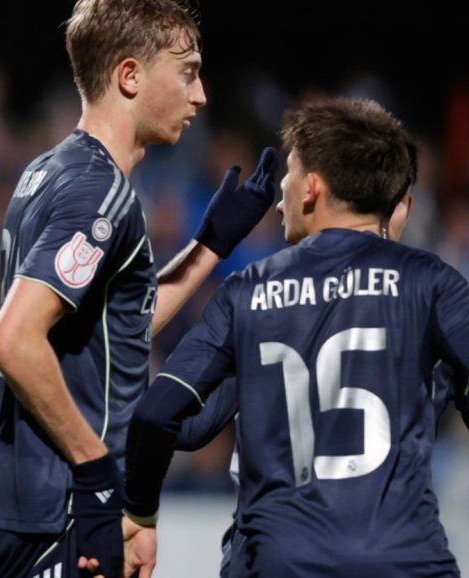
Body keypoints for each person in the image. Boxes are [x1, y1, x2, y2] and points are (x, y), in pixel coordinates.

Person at [0, 1, 279, 577]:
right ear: (130, 75)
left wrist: (208, 247)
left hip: (31, 506)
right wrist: (96, 473)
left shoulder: (49, 170)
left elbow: (114, 329)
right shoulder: (99, 191)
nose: (200, 95)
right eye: (187, 72)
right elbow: (12, 339)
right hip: (68, 509)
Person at [121, 97, 469, 578]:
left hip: (276, 561)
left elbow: (163, 417)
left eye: (288, 173)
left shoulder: (248, 292)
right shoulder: (432, 284)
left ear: (312, 187)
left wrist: (139, 515)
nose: (279, 196)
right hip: (405, 561)